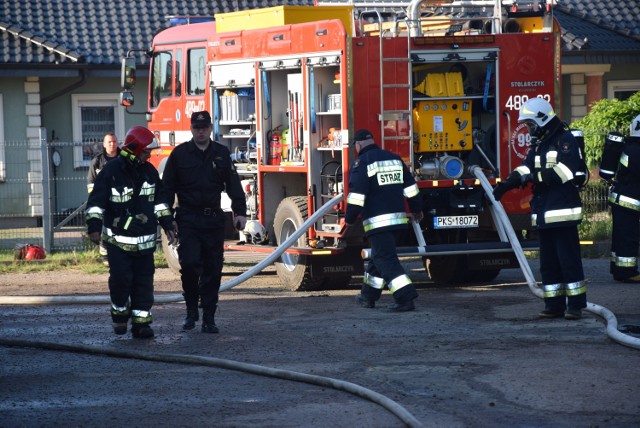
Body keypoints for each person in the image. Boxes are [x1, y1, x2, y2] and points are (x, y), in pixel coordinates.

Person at [493, 98, 586, 320]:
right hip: (544, 212)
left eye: (531, 125)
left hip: (562, 212)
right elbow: (527, 166)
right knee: (549, 264)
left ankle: (575, 306)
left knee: (568, 262)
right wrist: (508, 183)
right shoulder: (539, 144)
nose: (529, 130)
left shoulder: (565, 140)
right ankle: (553, 305)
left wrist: (536, 177)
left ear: (542, 119)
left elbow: (566, 171)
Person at [86, 126, 176, 338]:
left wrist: (168, 223)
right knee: (120, 282)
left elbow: (160, 202)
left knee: (144, 285)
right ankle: (119, 317)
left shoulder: (150, 172)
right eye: (146, 152)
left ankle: (141, 324)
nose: (149, 156)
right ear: (134, 149)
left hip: (144, 245)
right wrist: (94, 228)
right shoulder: (111, 171)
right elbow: (96, 203)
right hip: (118, 244)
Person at [162, 110, 247, 333]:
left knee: (213, 269)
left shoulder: (221, 153)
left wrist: (240, 211)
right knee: (189, 265)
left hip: (213, 220)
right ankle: (191, 311)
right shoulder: (179, 154)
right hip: (188, 219)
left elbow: (233, 184)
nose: (200, 131)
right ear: (191, 129)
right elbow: (167, 189)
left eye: (204, 127)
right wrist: (167, 220)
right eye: (196, 128)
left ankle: (209, 317)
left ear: (210, 129)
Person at [345, 129, 423, 312]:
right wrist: (417, 209)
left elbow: (356, 195)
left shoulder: (361, 163)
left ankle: (405, 296)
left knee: (384, 258)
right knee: (378, 257)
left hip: (377, 223)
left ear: (358, 145)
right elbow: (411, 187)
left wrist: (349, 219)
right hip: (398, 221)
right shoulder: (394, 159)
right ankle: (367, 296)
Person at [608, 114, 640, 282]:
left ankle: (618, 270)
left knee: (620, 238)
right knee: (628, 238)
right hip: (628, 202)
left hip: (622, 200)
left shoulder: (630, 146)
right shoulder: (636, 150)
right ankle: (628, 272)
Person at [87, 133, 120, 263]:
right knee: (105, 226)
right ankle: (105, 255)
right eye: (110, 142)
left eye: (114, 141)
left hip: (121, 200)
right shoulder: (97, 162)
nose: (112, 144)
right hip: (103, 202)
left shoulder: (124, 159)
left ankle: (118, 253)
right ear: (104, 144)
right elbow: (91, 183)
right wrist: (96, 200)